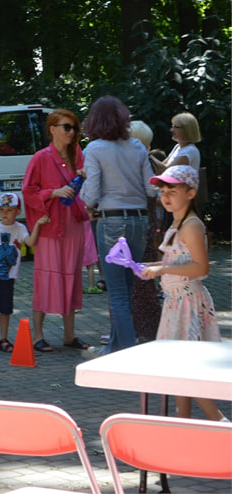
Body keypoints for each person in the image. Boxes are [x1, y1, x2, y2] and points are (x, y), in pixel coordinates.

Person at [141, 165, 228, 422]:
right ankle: (184, 425)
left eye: (173, 190)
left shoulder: (190, 225)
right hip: (175, 302)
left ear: (191, 193)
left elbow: (201, 268)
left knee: (184, 369)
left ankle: (220, 423)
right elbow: (177, 261)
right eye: (163, 190)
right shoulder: (176, 223)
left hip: (187, 302)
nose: (166, 196)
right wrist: (150, 267)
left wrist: (162, 269)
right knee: (178, 370)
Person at [81, 96, 156, 357]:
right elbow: (151, 188)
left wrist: (86, 201)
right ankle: (113, 348)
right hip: (139, 220)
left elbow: (90, 195)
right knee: (126, 290)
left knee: (117, 294)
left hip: (111, 221)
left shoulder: (95, 149)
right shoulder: (137, 146)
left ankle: (125, 355)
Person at [22, 108, 91, 353]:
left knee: (71, 277)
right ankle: (37, 335)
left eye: (74, 128)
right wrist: (53, 192)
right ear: (52, 129)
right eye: (67, 127)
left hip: (72, 225)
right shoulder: (40, 158)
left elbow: (87, 188)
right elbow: (28, 191)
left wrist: (83, 178)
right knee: (45, 277)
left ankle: (69, 335)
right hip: (50, 227)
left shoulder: (78, 155)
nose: (72, 132)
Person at [0, 193, 48, 354]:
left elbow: (30, 242)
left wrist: (38, 226)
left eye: (9, 210)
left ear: (17, 212)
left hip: (8, 277)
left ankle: (4, 338)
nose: (5, 214)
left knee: (5, 308)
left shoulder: (19, 229)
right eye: (2, 210)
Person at [127, 120, 163, 342]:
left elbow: (152, 193)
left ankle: (144, 332)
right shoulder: (144, 162)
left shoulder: (140, 163)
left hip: (141, 227)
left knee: (140, 283)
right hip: (145, 226)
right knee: (142, 284)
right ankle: (146, 331)